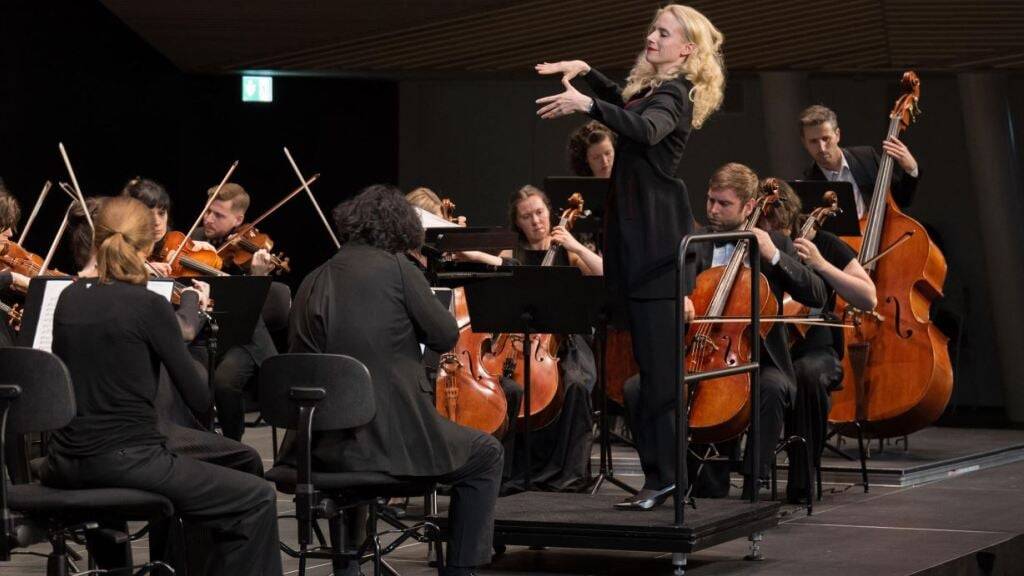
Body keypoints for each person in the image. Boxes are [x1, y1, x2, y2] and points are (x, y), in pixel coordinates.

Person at [535, 3, 725, 509]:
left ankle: (667, 479)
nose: (652, 37)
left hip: (657, 249)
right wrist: (587, 73)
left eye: (664, 33)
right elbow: (627, 105)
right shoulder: (654, 92)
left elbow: (644, 130)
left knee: (660, 378)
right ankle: (662, 477)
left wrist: (586, 103)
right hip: (637, 246)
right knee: (648, 373)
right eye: (652, 30)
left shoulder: (677, 93)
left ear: (686, 49)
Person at [39, 196, 282, 576]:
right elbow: (199, 399)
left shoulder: (68, 298)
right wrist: (193, 319)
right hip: (128, 461)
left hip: (65, 461)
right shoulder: (146, 304)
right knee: (258, 496)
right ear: (147, 245)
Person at [284, 184, 502, 576]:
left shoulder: (313, 278)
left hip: (317, 451)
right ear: (402, 229)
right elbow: (444, 336)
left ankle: (346, 566)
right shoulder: (400, 270)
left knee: (351, 455)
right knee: (486, 454)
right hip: (389, 447)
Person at [758, 179, 876, 501]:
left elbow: (868, 297)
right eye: (765, 226)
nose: (770, 234)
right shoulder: (755, 243)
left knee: (806, 375)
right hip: (768, 350)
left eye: (777, 227)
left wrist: (820, 265)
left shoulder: (823, 243)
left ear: (791, 220)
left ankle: (801, 482)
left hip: (816, 352)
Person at [189, 183, 283, 441]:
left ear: (238, 219)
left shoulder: (251, 250)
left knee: (224, 381)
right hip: (204, 333)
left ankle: (233, 443)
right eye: (208, 211)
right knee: (189, 375)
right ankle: (198, 439)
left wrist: (257, 276)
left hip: (245, 338)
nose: (208, 219)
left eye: (218, 215)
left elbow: (253, 307)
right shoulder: (194, 239)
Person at [799, 104, 919, 218]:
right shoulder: (808, 183)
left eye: (826, 139)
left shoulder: (866, 157)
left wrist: (911, 169)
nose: (822, 148)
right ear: (804, 143)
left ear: (837, 135)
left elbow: (902, 200)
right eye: (813, 141)